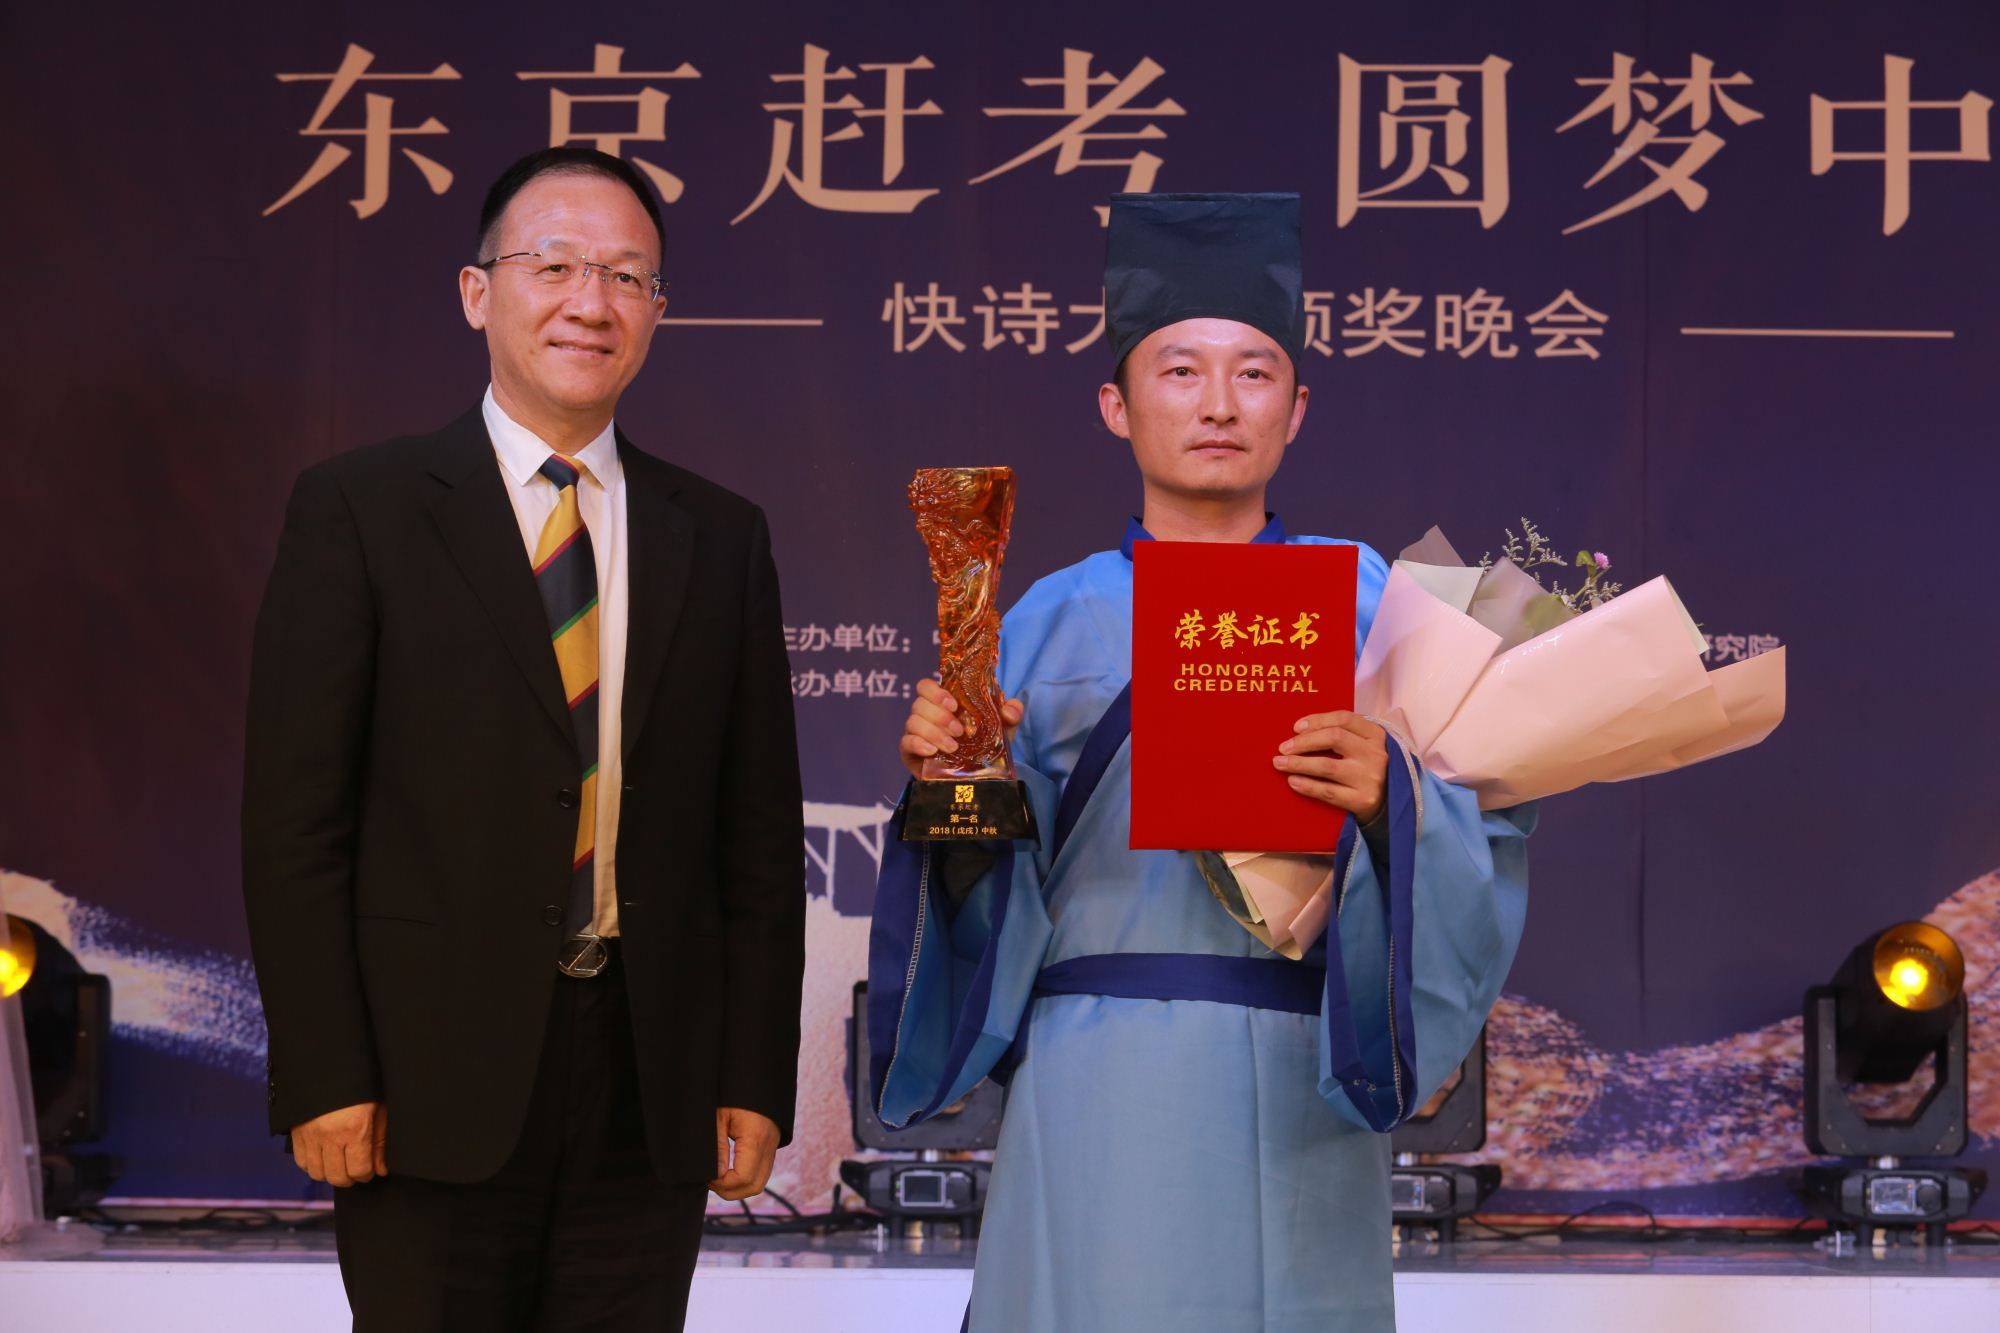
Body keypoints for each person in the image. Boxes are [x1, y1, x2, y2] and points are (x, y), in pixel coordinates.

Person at [867, 192, 1535, 1332]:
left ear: (1297, 408)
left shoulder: (1376, 607)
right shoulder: (1040, 623)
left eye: (1253, 373)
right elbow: (980, 899)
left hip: (1304, 1078)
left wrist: (1397, 801)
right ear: (1115, 405)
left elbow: (1486, 837)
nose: (1218, 404)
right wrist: (952, 791)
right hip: (1093, 1079)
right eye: (1178, 371)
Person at [242, 146, 805, 1330]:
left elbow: (755, 837)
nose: (589, 301)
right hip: (421, 1083)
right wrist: (326, 1071)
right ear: (476, 291)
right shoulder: (360, 510)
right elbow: (295, 827)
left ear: (656, 312)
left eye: (625, 276)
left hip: (647, 1084)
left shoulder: (719, 535)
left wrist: (752, 1076)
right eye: (554, 265)